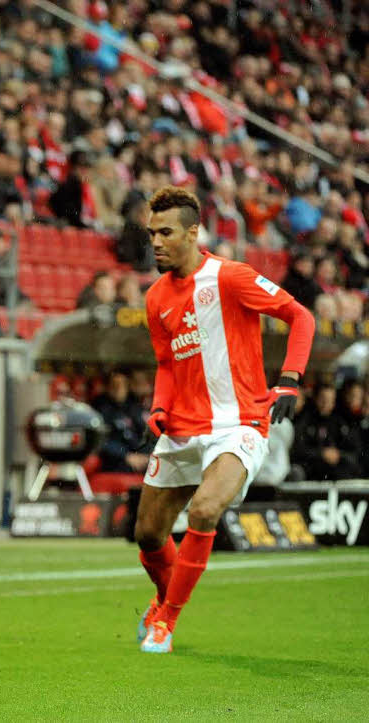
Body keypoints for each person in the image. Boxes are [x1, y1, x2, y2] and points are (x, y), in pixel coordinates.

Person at [135, 187, 315, 654]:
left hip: (239, 424)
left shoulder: (231, 278)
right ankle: (163, 599)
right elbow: (167, 366)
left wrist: (290, 379)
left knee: (204, 510)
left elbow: (301, 317)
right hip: (181, 429)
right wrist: (159, 407)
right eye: (151, 232)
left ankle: (166, 624)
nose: (155, 242)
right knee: (148, 534)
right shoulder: (155, 298)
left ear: (193, 233)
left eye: (166, 232)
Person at [92, 369, 152, 474]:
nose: (119, 389)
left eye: (123, 385)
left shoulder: (133, 407)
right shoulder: (100, 408)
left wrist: (146, 454)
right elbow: (101, 441)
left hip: (139, 459)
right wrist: (125, 456)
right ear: (108, 387)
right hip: (116, 461)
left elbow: (143, 433)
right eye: (115, 385)